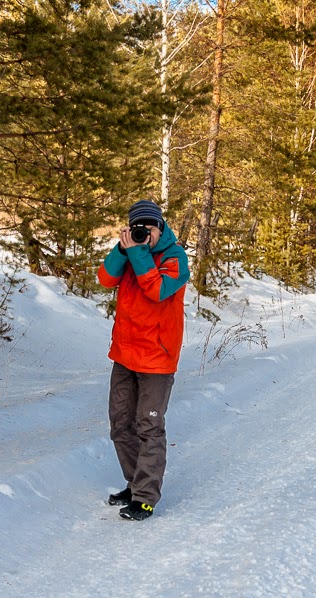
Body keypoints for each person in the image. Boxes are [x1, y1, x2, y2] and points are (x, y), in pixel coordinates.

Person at [97, 200, 190, 521]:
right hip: (124, 354)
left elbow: (158, 290)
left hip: (157, 359)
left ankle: (146, 496)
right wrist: (122, 250)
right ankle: (134, 483)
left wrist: (137, 253)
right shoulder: (129, 249)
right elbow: (105, 279)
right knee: (120, 424)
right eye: (138, 227)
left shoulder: (175, 257)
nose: (143, 233)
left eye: (148, 228)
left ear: (160, 228)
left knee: (148, 426)